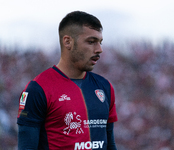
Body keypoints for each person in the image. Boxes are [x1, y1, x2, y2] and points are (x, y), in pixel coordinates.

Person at [17, 11, 118, 150]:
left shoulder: (105, 87)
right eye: (91, 42)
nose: (99, 49)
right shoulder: (37, 88)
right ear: (68, 42)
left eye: (100, 42)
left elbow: (110, 144)